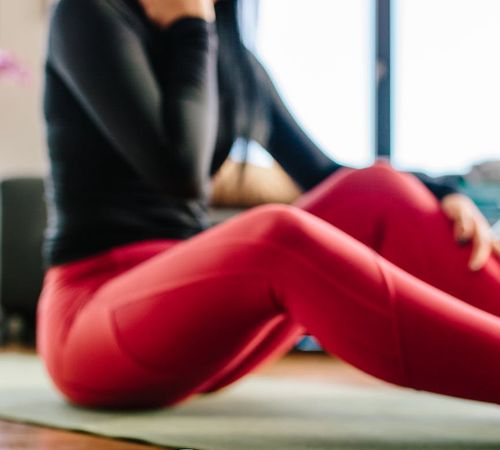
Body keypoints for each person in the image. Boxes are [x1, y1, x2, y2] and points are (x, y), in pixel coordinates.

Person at [37, 0, 500, 410]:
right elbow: (179, 173)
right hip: (91, 318)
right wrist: (191, 26)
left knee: (378, 188)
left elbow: (325, 173)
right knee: (277, 236)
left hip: (194, 321)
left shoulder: (233, 59)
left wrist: (443, 191)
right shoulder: (89, 13)